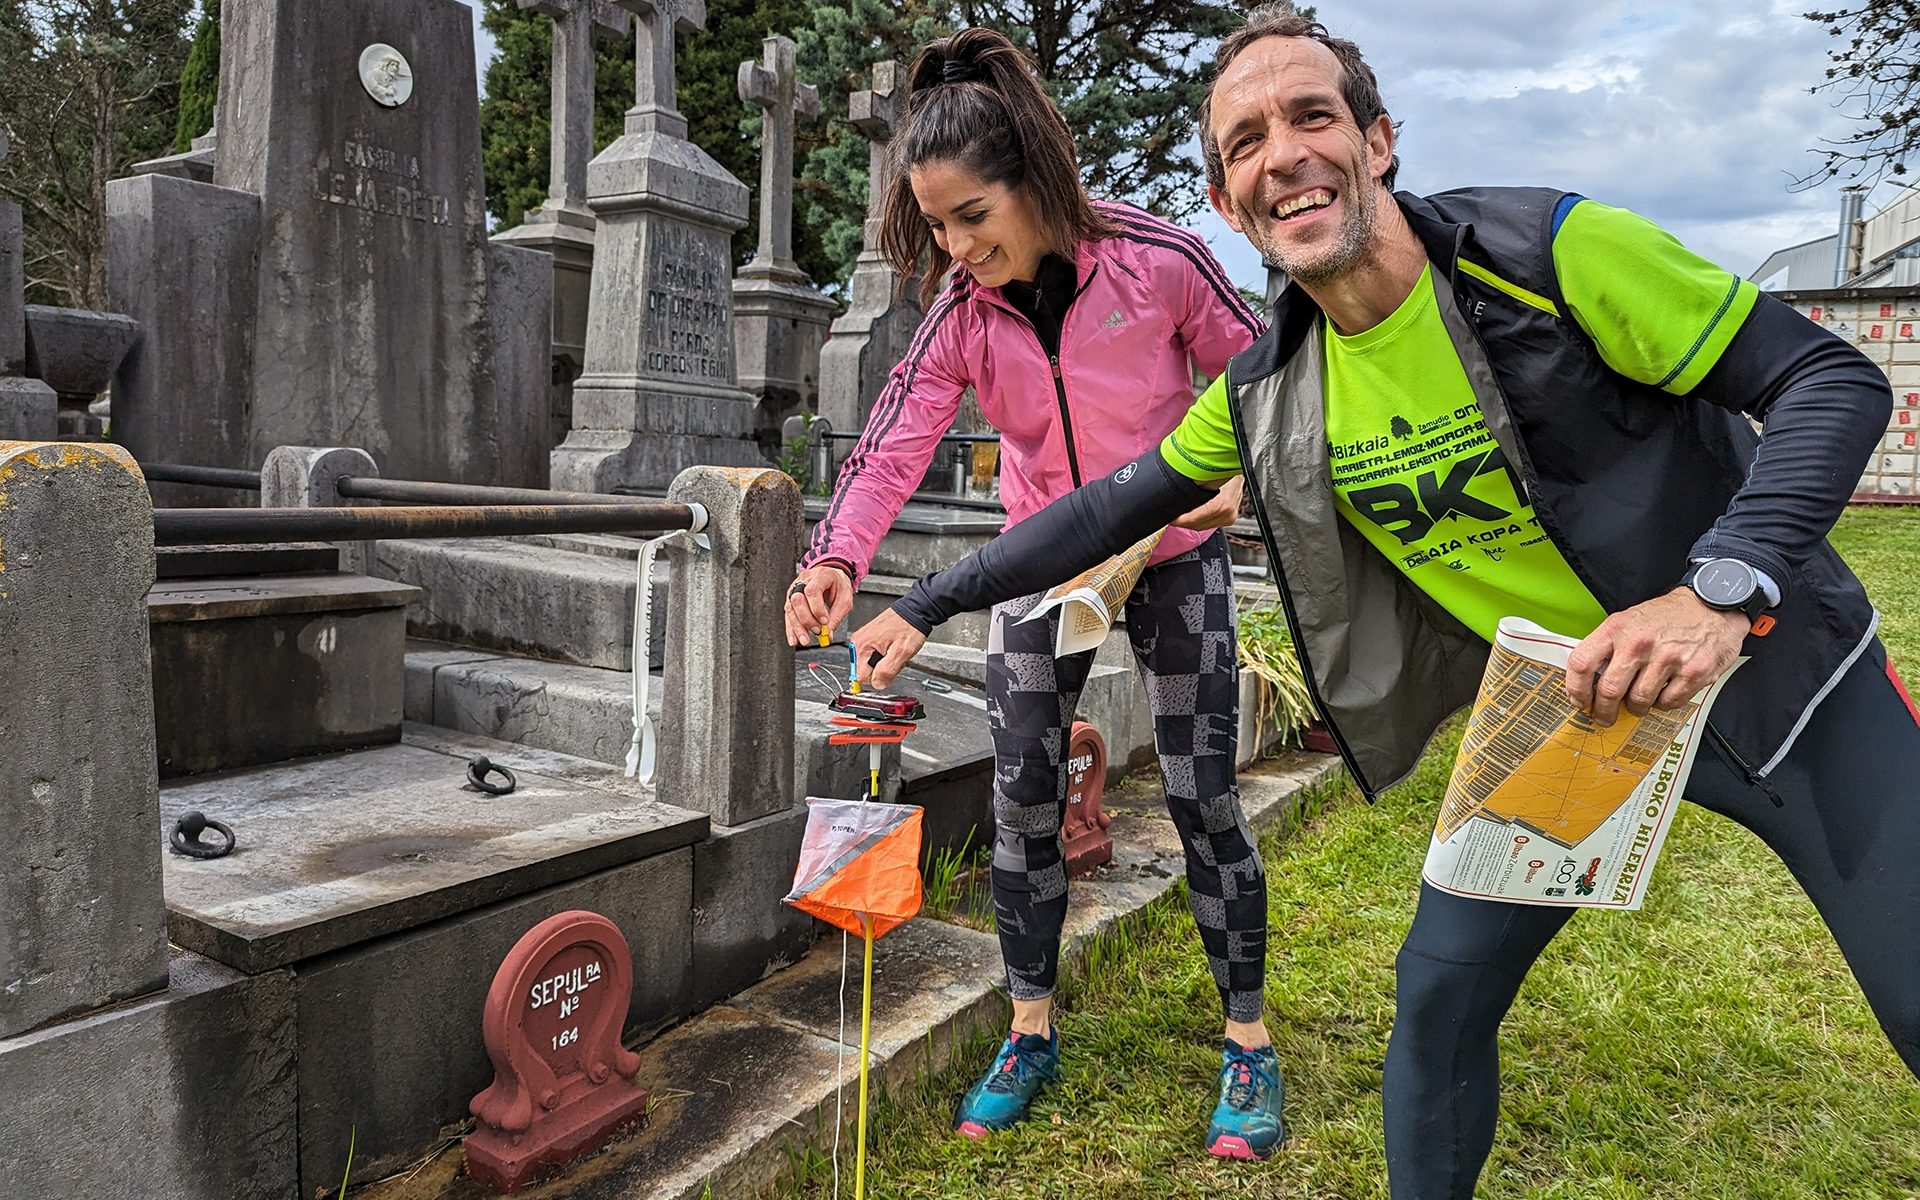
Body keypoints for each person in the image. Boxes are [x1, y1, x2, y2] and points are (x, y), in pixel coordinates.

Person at [849, 9, 1918, 1197]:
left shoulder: (1552, 249)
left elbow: (1827, 377)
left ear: (1379, 141)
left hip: (1782, 681)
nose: (1284, 153)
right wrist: (930, 597)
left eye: (1313, 116)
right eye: (1245, 140)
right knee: (1440, 998)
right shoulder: (1271, 386)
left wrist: (1717, 588)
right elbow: (1108, 510)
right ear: (1228, 198)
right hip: (1576, 713)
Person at [780, 27, 1285, 1159]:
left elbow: (1267, 377)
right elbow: (894, 440)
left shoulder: (1155, 264)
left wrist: (1234, 483)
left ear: (1034, 183)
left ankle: (1248, 1045)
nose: (957, 248)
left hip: (1172, 556)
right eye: (938, 225)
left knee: (1204, 794)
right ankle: (1029, 1028)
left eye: (972, 217)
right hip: (1037, 564)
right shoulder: (966, 316)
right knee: (1019, 798)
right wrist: (836, 558)